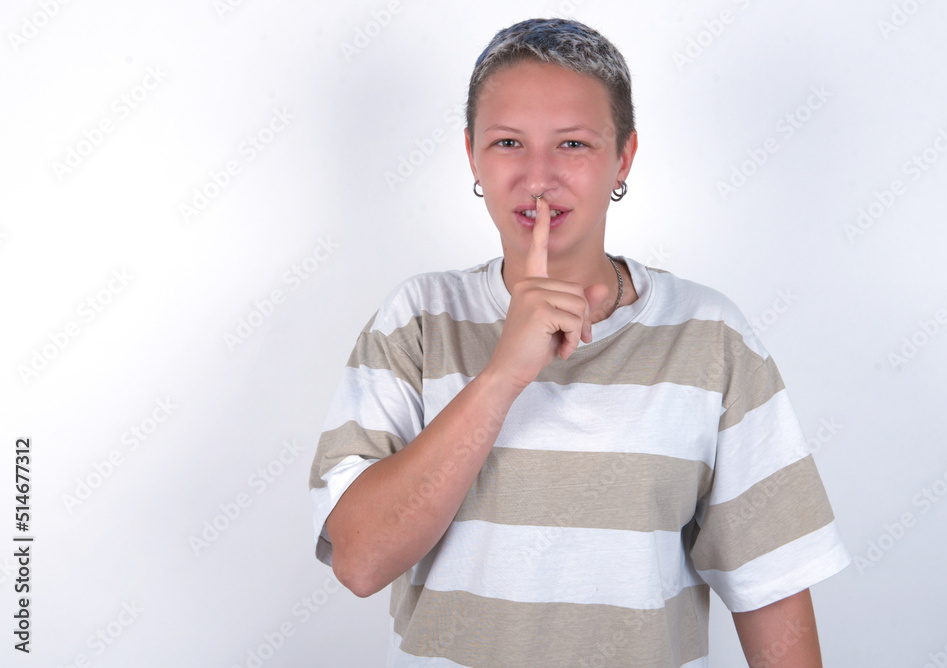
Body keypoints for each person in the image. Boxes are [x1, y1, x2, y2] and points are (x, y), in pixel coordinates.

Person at [309, 17, 851, 667]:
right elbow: (360, 561)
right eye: (508, 142)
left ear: (623, 157)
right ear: (472, 155)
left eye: (572, 144)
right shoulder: (418, 320)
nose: (538, 177)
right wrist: (502, 376)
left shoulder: (711, 337)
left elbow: (773, 590)